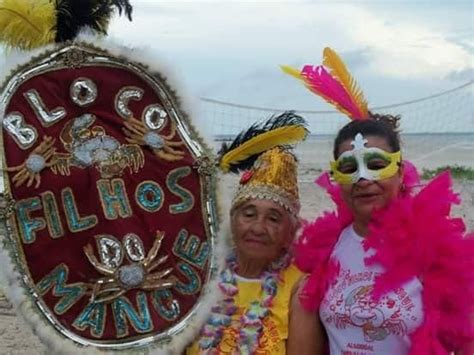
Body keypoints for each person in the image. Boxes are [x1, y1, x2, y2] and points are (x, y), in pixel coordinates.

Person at [284, 48, 474, 354]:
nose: (363, 179)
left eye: (376, 164)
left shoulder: (436, 251)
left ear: (400, 173)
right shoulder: (326, 249)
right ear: (337, 179)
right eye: (348, 167)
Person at [187, 112, 324, 354]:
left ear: (291, 231)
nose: (258, 228)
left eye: (274, 219)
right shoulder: (204, 274)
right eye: (249, 214)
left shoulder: (300, 287)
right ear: (232, 219)